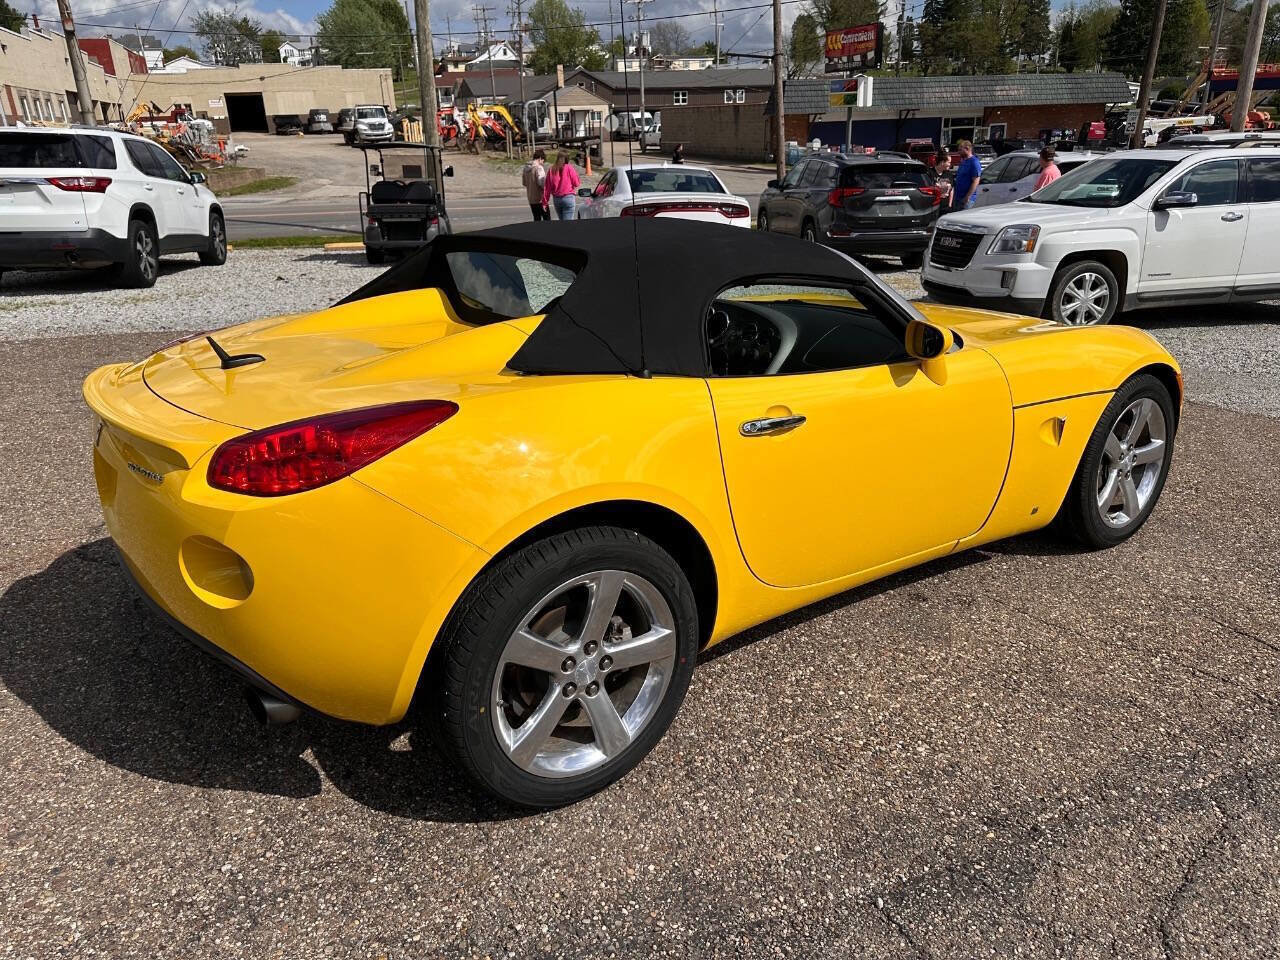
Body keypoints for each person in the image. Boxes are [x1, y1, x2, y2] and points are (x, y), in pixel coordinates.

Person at [542, 151, 581, 221]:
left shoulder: (552, 169)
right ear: (567, 159)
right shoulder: (569, 168)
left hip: (557, 199)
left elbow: (547, 188)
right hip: (568, 197)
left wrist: (545, 202)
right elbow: (576, 183)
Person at [952, 140, 983, 210]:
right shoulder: (963, 161)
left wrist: (968, 196)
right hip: (958, 198)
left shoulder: (974, 162)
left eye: (960, 150)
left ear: (967, 149)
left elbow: (976, 181)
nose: (958, 152)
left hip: (967, 200)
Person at [522, 148, 549, 221]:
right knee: (547, 219)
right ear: (540, 158)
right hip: (540, 199)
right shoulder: (539, 168)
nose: (542, 163)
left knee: (536, 219)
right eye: (543, 161)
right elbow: (542, 183)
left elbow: (524, 183)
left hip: (531, 198)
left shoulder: (525, 168)